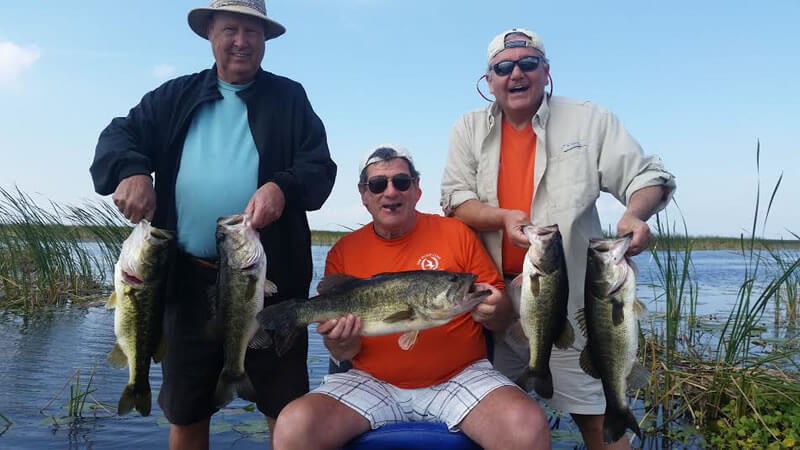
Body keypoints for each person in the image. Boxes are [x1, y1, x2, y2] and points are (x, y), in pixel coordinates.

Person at [89, 1, 336, 448]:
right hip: (184, 282)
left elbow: (318, 167)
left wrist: (281, 186)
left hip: (267, 284)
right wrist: (131, 170)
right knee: (186, 410)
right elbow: (118, 135)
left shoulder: (289, 98)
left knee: (284, 407)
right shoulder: (173, 96)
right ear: (209, 34)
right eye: (230, 29)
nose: (241, 41)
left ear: (265, 41)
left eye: (252, 32)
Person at [440, 28, 676, 449]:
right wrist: (502, 217)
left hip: (573, 298)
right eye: (503, 67)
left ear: (545, 73)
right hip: (487, 299)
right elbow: (456, 200)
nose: (516, 73)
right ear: (488, 80)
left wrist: (635, 215)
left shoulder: (589, 119)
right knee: (480, 423)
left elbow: (648, 176)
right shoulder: (467, 129)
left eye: (528, 63)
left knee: (597, 416)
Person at [272, 145, 550, 450]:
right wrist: (340, 341)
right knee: (293, 426)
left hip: (461, 376)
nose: (390, 192)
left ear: (417, 189)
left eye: (402, 182)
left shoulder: (457, 233)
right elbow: (346, 350)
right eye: (378, 185)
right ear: (364, 195)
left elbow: (503, 317)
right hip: (369, 381)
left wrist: (496, 308)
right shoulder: (344, 251)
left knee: (527, 427)